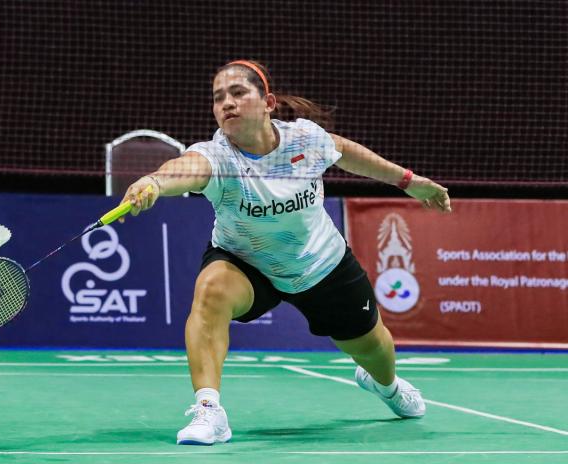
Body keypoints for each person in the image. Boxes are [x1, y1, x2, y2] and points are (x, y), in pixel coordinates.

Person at [119, 60, 452, 446]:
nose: (227, 103)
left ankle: (387, 386)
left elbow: (344, 151)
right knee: (210, 291)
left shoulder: (305, 140)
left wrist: (408, 181)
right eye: (218, 98)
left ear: (268, 103)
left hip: (320, 263)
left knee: (375, 349)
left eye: (238, 93)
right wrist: (154, 182)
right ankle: (209, 411)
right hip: (246, 263)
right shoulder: (217, 156)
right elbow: (185, 168)